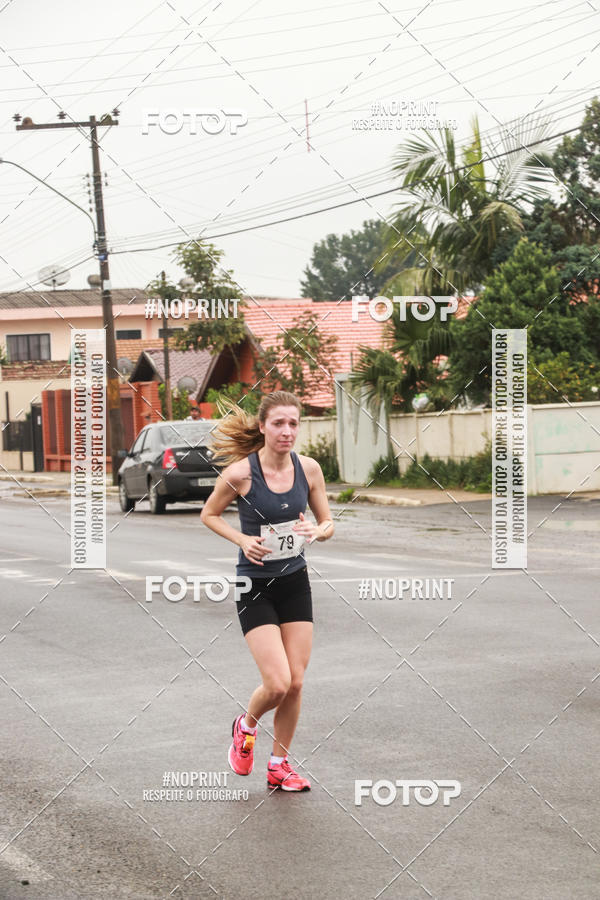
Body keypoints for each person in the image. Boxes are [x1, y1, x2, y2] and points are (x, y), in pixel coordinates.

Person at [200, 391, 334, 791]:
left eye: (294, 423)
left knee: (295, 683)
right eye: (278, 423)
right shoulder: (241, 473)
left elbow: (328, 523)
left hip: (295, 583)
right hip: (254, 586)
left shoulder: (309, 469)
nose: (287, 431)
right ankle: (245, 726)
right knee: (276, 683)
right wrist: (242, 540)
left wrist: (317, 530)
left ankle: (279, 765)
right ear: (262, 426)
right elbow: (208, 514)